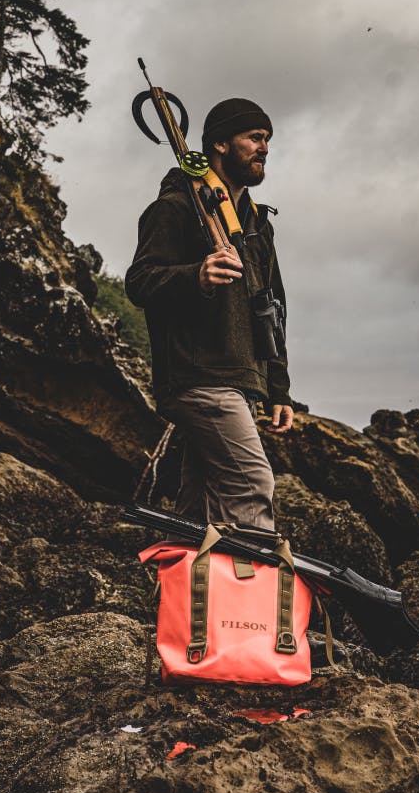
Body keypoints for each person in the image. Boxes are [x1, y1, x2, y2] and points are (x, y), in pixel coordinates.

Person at [125, 97, 293, 530]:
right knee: (252, 485)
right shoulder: (175, 207)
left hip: (241, 381)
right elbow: (140, 281)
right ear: (219, 143)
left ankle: (179, 589)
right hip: (199, 378)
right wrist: (195, 275)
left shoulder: (257, 223)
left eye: (268, 139)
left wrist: (277, 388)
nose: (265, 147)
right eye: (255, 137)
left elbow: (273, 306)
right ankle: (248, 593)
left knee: (199, 505)